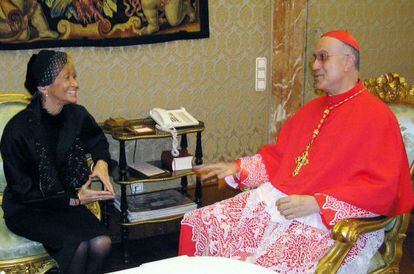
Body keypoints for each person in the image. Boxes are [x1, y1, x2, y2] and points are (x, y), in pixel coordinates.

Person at [179, 30, 414, 273]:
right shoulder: (312, 109)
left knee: (269, 265)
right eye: (314, 57)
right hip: (286, 203)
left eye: (323, 57)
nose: (314, 65)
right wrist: (237, 168)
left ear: (348, 61)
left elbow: (381, 188)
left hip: (330, 222)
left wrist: (318, 203)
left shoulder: (377, 117)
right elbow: (280, 158)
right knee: (201, 222)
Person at [1, 50, 116, 274]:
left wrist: (101, 163)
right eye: (67, 77)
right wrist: (74, 200)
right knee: (79, 247)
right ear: (44, 86)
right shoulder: (18, 130)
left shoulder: (76, 116)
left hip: (64, 201)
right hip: (28, 209)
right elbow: (24, 192)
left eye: (74, 76)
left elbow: (97, 140)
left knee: (103, 242)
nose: (75, 83)